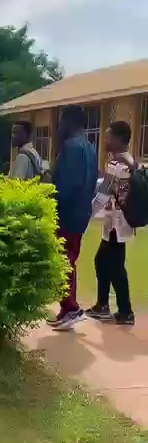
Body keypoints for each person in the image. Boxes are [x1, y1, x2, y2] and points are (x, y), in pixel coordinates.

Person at [50, 104, 98, 331]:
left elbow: (67, 186)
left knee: (64, 260)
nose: (59, 126)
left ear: (70, 122)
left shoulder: (71, 147)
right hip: (81, 213)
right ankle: (66, 308)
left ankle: (71, 308)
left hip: (67, 214)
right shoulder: (90, 148)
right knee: (68, 258)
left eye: (61, 122)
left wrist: (50, 198)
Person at [87, 121, 135, 325]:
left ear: (118, 139)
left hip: (117, 224)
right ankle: (106, 306)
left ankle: (124, 311)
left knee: (113, 266)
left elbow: (102, 196)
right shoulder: (130, 161)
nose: (105, 140)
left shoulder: (117, 165)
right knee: (106, 262)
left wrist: (86, 215)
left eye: (108, 137)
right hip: (120, 223)